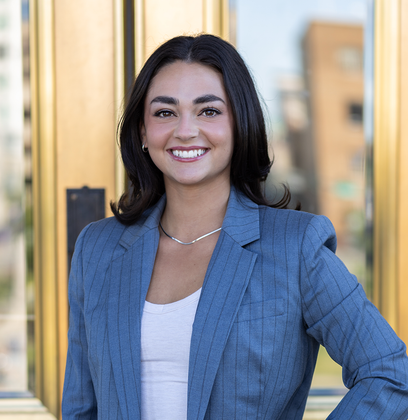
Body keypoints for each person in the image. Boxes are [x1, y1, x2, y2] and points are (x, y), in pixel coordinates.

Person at [62, 34, 408, 419]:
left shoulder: (295, 248)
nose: (186, 130)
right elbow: (82, 408)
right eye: (165, 112)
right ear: (143, 132)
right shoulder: (97, 249)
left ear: (240, 122)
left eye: (208, 111)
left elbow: (389, 373)